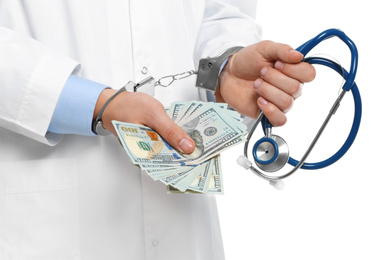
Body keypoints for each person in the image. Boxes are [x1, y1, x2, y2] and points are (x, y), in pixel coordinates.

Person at [0, 1, 315, 259]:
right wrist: (96, 104)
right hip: (49, 220)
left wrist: (223, 68)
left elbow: (223, 11)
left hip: (184, 225)